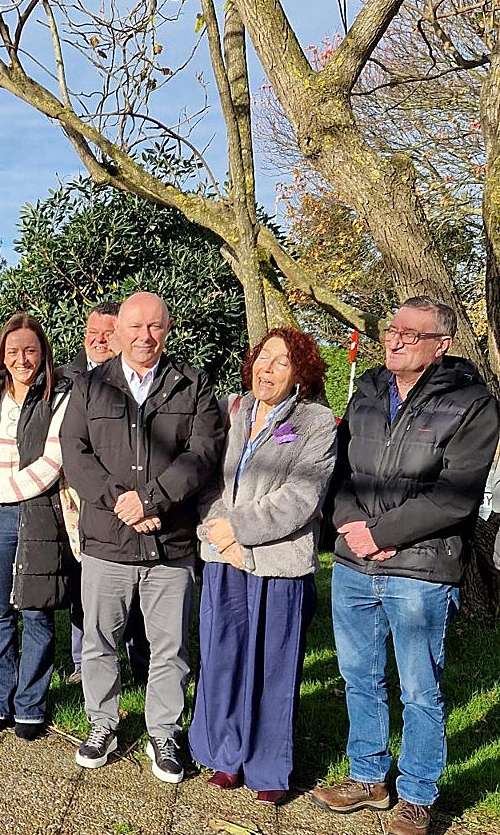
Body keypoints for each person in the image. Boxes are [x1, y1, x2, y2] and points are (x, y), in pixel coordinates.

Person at [311, 298, 499, 835]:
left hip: (421, 568)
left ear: (440, 345)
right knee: (358, 676)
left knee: (420, 687)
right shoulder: (368, 389)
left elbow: (455, 497)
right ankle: (368, 776)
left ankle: (417, 792)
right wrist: (353, 527)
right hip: (352, 561)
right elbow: (340, 471)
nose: (393, 340)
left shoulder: (472, 404)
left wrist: (381, 535)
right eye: (392, 329)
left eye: (409, 334)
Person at [60, 291, 223, 782]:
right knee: (98, 641)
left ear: (167, 328)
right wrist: (120, 501)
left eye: (154, 327)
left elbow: (203, 454)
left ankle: (165, 731)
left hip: (169, 543)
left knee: (169, 646)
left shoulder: (192, 385)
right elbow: (75, 451)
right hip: (108, 541)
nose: (144, 336)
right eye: (134, 327)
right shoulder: (90, 387)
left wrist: (150, 500)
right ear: (117, 332)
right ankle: (102, 723)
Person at [190, 329, 336, 805]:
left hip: (277, 564)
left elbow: (301, 497)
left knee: (273, 667)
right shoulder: (238, 412)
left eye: (281, 363)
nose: (266, 369)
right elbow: (212, 481)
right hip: (224, 561)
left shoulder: (315, 423)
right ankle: (225, 756)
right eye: (262, 358)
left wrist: (237, 532)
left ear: (301, 374)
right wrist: (216, 530)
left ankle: (269, 767)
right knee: (223, 660)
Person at [0, 313, 72, 739]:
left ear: (42, 353)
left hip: (37, 512)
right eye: (13, 351)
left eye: (30, 350)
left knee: (37, 612)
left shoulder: (59, 395)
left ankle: (31, 706)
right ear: (2, 354)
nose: (22, 359)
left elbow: (52, 464)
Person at [58, 301, 150, 688]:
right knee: (87, 587)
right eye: (91, 332)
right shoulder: (65, 377)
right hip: (82, 499)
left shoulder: (145, 379)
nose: (97, 340)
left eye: (106, 333)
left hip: (142, 503)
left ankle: (141, 665)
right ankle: (85, 663)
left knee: (141, 592)